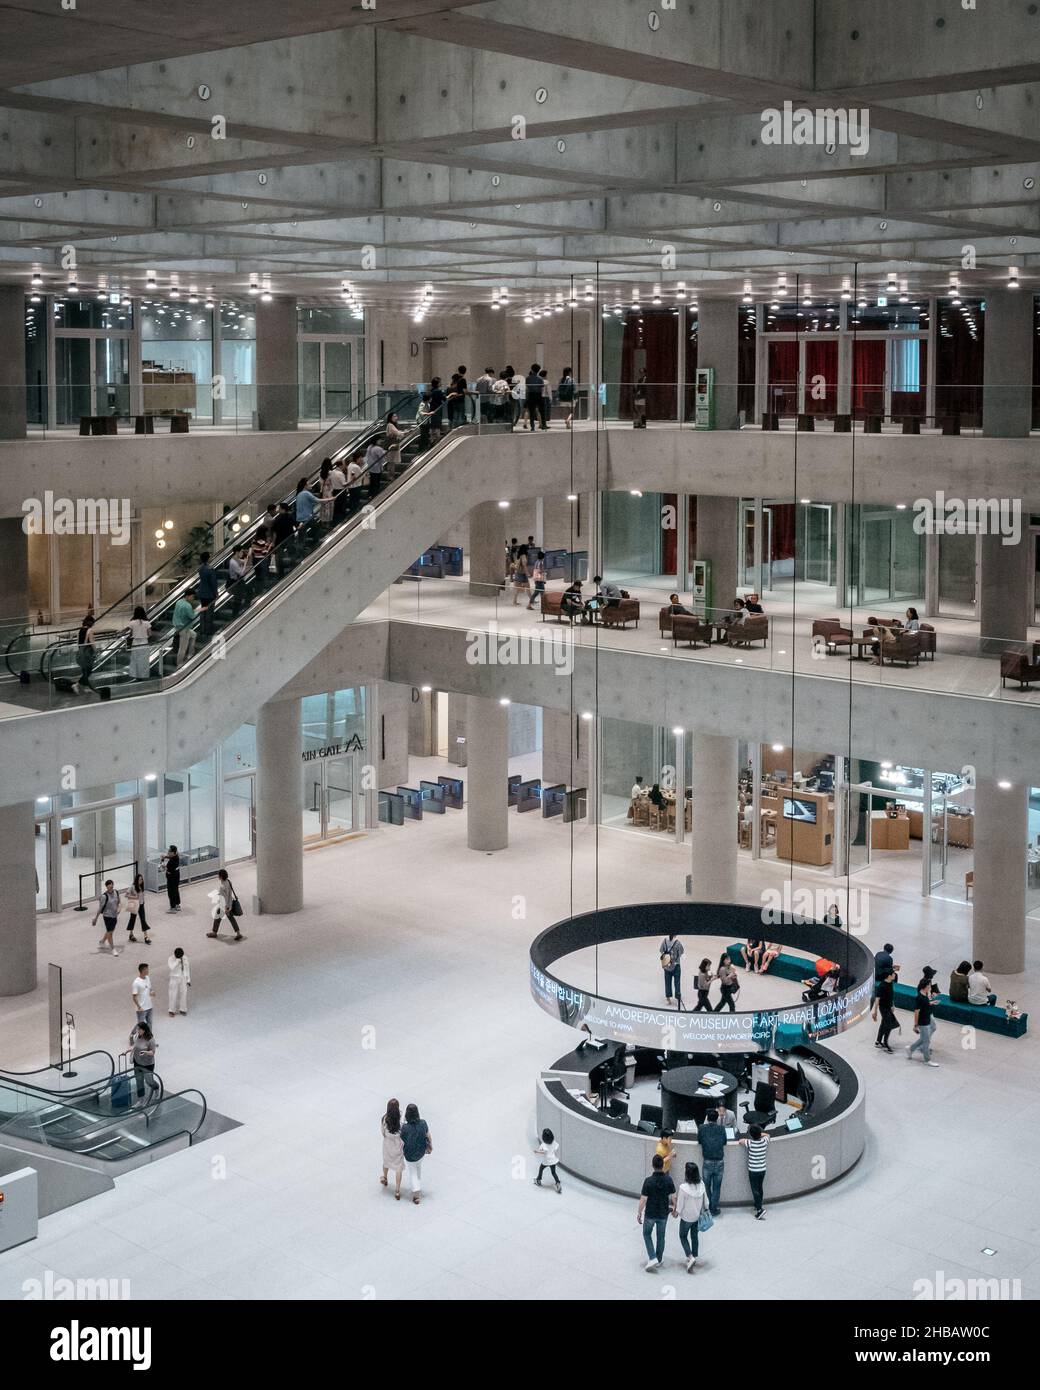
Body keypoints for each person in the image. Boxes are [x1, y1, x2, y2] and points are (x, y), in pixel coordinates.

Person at [637, 1153, 675, 1271]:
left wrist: (639, 1212)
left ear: (652, 1166)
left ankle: (652, 1256)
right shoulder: (668, 1180)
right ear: (663, 1165)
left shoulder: (648, 1181)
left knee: (647, 1234)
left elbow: (643, 1199)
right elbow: (674, 1196)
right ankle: (658, 1259)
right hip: (663, 1213)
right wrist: (675, 1208)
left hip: (650, 1213)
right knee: (661, 1236)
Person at [672, 1160, 708, 1271]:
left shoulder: (683, 1188)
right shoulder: (702, 1185)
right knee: (694, 1236)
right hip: (697, 1217)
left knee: (683, 1236)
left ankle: (690, 1256)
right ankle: (695, 1255)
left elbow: (680, 1205)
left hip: (686, 1218)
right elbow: (706, 1201)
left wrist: (675, 1213)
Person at [906, 968, 940, 1066]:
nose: (930, 987)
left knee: (925, 1038)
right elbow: (916, 1011)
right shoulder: (920, 997)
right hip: (923, 1020)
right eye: (929, 986)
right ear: (925, 986)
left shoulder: (924, 994)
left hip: (926, 1016)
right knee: (927, 1039)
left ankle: (911, 1048)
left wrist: (932, 1002)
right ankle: (927, 1059)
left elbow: (925, 1003)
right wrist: (915, 1025)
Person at [697, 1111, 727, 1215]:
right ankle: (714, 1209)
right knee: (717, 1187)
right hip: (719, 1162)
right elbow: (724, 1142)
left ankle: (707, 1207)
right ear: (717, 1118)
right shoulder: (722, 1129)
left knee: (706, 1186)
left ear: (707, 1118)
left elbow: (699, 1140)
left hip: (707, 1161)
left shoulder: (702, 1128)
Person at [401, 1102, 431, 1205]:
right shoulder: (423, 1123)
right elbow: (428, 1135)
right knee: (418, 1167)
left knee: (412, 1172)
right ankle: (418, 1184)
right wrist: (430, 1146)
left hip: (409, 1154)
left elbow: (402, 1141)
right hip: (421, 1151)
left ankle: (416, 1194)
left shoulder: (404, 1128)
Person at [740, 1124, 770, 1218]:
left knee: (755, 1190)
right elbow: (768, 1135)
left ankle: (759, 1210)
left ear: (751, 1135)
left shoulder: (750, 1143)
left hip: (753, 1170)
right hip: (762, 1169)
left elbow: (740, 1141)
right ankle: (758, 1204)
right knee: (760, 1188)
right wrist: (760, 1133)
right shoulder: (765, 1141)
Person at [206, 868, 242, 941]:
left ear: (221, 877)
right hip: (230, 903)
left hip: (224, 906)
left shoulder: (222, 887)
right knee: (231, 918)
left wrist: (226, 908)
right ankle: (238, 933)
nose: (217, 876)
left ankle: (214, 933)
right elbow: (229, 894)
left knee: (217, 917)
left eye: (218, 875)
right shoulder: (228, 881)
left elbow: (224, 898)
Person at [129, 1023, 159, 1106]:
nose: (137, 1031)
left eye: (139, 1029)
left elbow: (152, 1052)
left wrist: (145, 1052)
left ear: (144, 1030)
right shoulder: (137, 1036)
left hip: (147, 1064)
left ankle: (156, 1088)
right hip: (137, 1062)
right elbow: (135, 1046)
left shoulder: (151, 1040)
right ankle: (140, 1100)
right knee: (139, 1080)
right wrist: (128, 1050)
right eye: (137, 1029)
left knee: (149, 1081)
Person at [380, 1098, 405, 1200]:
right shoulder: (402, 1118)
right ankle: (397, 1191)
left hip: (388, 1145)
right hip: (398, 1145)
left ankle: (385, 1177)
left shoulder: (384, 1118)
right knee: (398, 1168)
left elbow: (382, 1132)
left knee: (386, 1162)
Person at [872, 968, 899, 1052]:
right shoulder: (882, 986)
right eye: (893, 974)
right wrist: (875, 1011)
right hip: (883, 1008)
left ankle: (878, 1041)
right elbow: (877, 999)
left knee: (884, 1023)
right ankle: (885, 1043)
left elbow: (891, 995)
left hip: (889, 1007)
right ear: (889, 976)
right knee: (889, 1024)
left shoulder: (890, 983)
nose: (895, 975)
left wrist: (893, 1004)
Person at [92, 880, 121, 954]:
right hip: (107, 916)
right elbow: (100, 908)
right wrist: (96, 918)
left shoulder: (116, 892)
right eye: (109, 886)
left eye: (112, 885)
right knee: (110, 932)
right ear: (106, 887)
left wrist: (119, 908)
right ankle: (113, 949)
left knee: (110, 931)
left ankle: (102, 941)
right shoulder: (104, 896)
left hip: (114, 915)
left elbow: (119, 902)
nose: (111, 887)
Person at [171, 589, 197, 667]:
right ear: (187, 596)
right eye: (192, 597)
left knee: (194, 635)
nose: (193, 598)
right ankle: (179, 663)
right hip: (184, 628)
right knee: (183, 648)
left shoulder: (178, 602)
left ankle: (191, 654)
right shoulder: (187, 605)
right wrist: (196, 611)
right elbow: (192, 616)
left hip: (178, 626)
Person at [126, 606, 153, 681]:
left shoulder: (132, 623)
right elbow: (150, 634)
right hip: (144, 642)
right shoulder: (147, 623)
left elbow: (130, 634)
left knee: (135, 660)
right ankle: (144, 676)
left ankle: (136, 676)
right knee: (143, 661)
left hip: (135, 643)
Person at [124, 872, 151, 944]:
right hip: (134, 905)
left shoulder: (141, 886)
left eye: (141, 880)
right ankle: (131, 934)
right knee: (132, 919)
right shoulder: (132, 886)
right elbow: (126, 895)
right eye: (139, 880)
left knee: (143, 920)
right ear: (136, 880)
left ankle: (146, 936)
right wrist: (134, 897)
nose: (141, 881)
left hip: (141, 905)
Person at [659, 931, 685, 1007]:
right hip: (676, 966)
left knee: (667, 982)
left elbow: (661, 950)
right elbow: (681, 953)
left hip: (667, 966)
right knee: (677, 983)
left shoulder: (664, 941)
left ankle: (668, 998)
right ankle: (678, 998)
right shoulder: (678, 943)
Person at [196, 551, 218, 638]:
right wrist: (216, 593)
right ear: (208, 558)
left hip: (202, 593)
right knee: (209, 612)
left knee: (203, 611)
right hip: (209, 594)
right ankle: (208, 630)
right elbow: (213, 583)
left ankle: (202, 629)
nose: (211, 557)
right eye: (210, 556)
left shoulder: (201, 568)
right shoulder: (210, 569)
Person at [271, 501, 296, 575]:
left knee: (279, 557)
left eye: (279, 508)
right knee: (291, 553)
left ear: (283, 509)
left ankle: (281, 572)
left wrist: (273, 542)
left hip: (279, 541)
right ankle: (293, 567)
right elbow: (296, 524)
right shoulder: (290, 516)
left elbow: (274, 532)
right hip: (289, 538)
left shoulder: (277, 519)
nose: (278, 509)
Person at [533, 1127, 562, 1192]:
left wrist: (537, 1151)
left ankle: (538, 1180)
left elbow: (543, 1152)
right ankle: (558, 1183)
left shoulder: (543, 1145)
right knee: (553, 1172)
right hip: (553, 1160)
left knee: (541, 1169)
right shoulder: (554, 1143)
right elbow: (556, 1149)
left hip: (546, 1161)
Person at [74, 610, 96, 692]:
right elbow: (92, 642)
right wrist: (96, 651)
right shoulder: (89, 630)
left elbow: (79, 642)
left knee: (85, 671)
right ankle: (76, 685)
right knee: (89, 670)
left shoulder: (80, 630)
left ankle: (86, 687)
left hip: (81, 652)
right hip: (88, 652)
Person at [294, 478, 320, 543]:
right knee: (316, 527)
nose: (311, 485)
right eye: (309, 484)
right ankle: (314, 541)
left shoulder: (299, 494)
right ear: (305, 486)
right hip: (306, 517)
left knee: (302, 534)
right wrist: (328, 499)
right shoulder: (305, 493)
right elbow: (316, 500)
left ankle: (304, 545)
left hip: (300, 518)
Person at [227, 546, 250, 616]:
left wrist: (245, 561)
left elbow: (242, 561)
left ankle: (242, 610)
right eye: (241, 552)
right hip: (236, 582)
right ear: (237, 552)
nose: (242, 553)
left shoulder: (236, 559)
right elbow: (241, 573)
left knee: (247, 593)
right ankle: (235, 614)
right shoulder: (233, 562)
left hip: (238, 581)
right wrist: (245, 564)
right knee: (238, 599)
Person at [168, 947, 190, 1016]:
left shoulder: (185, 958)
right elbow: (171, 967)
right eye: (179, 956)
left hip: (183, 977)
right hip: (174, 978)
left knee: (184, 993)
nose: (181, 957)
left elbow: (187, 969)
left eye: (181, 956)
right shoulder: (170, 959)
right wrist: (177, 961)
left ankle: (183, 1009)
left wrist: (188, 980)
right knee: (172, 994)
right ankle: (171, 1010)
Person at [131, 963, 153, 1029]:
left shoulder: (147, 978)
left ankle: (149, 1037)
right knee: (141, 1024)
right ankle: (137, 1036)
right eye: (147, 969)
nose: (148, 971)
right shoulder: (136, 983)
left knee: (149, 1022)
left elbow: (150, 988)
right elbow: (134, 997)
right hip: (142, 1008)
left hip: (149, 1006)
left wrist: (152, 991)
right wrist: (139, 1007)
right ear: (143, 970)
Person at [523, 363, 544, 431]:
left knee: (531, 411)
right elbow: (542, 387)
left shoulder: (528, 378)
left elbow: (527, 386)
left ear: (531, 369)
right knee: (541, 410)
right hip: (538, 394)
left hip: (531, 395)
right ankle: (543, 424)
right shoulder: (540, 379)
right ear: (538, 370)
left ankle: (532, 426)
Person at [160, 845, 181, 914]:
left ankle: (173, 907)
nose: (168, 852)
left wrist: (162, 860)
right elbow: (171, 857)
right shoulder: (176, 856)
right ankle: (177, 904)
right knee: (176, 890)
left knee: (171, 892)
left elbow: (163, 868)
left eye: (169, 851)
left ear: (173, 852)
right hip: (176, 876)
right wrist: (166, 856)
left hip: (171, 878)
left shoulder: (171, 862)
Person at [384, 413, 406, 479]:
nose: (396, 417)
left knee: (391, 461)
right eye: (394, 416)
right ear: (390, 418)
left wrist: (402, 433)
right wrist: (404, 433)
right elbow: (397, 433)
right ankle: (391, 476)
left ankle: (391, 475)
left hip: (393, 445)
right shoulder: (390, 425)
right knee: (391, 461)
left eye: (396, 416)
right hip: (391, 446)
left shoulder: (393, 425)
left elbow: (397, 433)